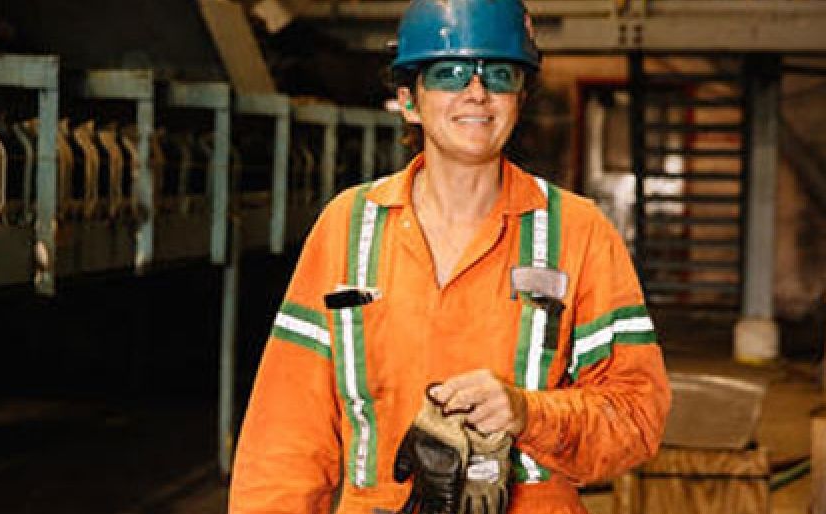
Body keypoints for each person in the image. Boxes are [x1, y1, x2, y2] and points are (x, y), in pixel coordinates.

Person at [228, 0, 671, 512]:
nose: (477, 92)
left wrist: (528, 413)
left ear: (519, 99)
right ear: (409, 100)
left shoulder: (579, 233)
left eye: (499, 74)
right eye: (450, 72)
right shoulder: (348, 227)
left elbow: (637, 417)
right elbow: (286, 435)